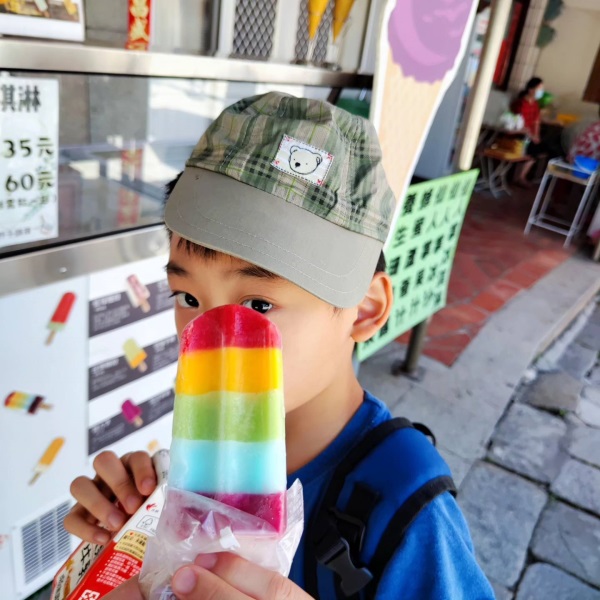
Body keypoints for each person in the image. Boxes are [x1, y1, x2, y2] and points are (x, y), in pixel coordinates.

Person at [64, 92, 494, 600]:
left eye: (260, 306)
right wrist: (133, 540)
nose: (213, 337)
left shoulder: (408, 510)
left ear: (365, 310)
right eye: (188, 295)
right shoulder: (188, 468)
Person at [511, 77, 560, 186]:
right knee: (534, 150)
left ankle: (542, 180)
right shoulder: (520, 103)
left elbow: (537, 122)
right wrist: (531, 135)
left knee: (550, 149)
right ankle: (521, 177)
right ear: (530, 89)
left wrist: (536, 135)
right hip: (521, 135)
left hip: (531, 136)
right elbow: (518, 123)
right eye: (539, 88)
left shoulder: (535, 105)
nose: (541, 92)